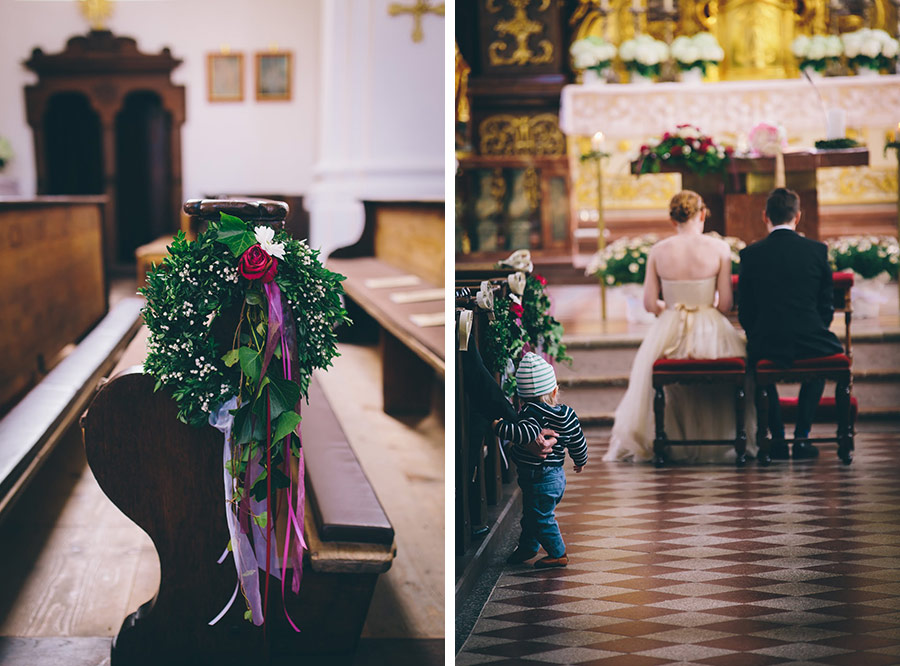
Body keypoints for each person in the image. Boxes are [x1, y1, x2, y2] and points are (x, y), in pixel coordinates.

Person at [604, 190, 755, 463]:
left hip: (670, 326)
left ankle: (670, 440)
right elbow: (726, 304)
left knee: (664, 382)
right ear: (702, 214)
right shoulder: (719, 248)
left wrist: (671, 309)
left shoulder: (658, 251)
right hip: (710, 325)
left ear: (672, 219)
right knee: (727, 378)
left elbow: (650, 303)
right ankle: (720, 440)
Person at [738, 187, 843, 461]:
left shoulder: (750, 255)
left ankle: (779, 440)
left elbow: (746, 309)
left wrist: (756, 333)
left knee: (759, 366)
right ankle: (803, 436)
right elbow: (826, 303)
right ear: (798, 217)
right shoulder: (817, 250)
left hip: (767, 339)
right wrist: (816, 327)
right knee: (824, 362)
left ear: (765, 217)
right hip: (811, 337)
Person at [492, 352, 587, 569]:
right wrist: (580, 460)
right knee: (532, 515)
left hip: (540, 479)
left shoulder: (530, 414)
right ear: (555, 390)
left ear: (522, 397)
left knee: (542, 518)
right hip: (555, 476)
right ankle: (528, 547)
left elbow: (524, 434)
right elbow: (577, 439)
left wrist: (497, 426)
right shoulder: (568, 414)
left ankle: (558, 553)